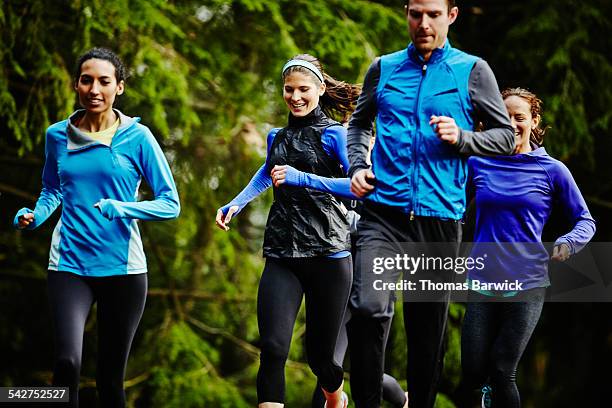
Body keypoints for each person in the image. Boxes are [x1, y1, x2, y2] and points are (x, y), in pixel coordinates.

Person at [346, 0, 516, 407]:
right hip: (382, 214)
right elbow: (358, 123)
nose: (423, 24)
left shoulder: (472, 71)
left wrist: (462, 138)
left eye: (433, 15)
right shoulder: (383, 68)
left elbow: (505, 137)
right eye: (415, 14)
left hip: (439, 219)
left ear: (451, 16)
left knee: (426, 337)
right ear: (407, 14)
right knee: (368, 310)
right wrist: (356, 165)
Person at [13, 47, 180, 407]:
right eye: (86, 80)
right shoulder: (57, 136)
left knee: (110, 381)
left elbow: (170, 203)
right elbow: (53, 188)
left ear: (118, 87)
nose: (94, 89)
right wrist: (35, 215)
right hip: (69, 264)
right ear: (76, 85)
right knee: (67, 362)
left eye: (104, 81)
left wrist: (122, 208)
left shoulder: (138, 138)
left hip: (123, 269)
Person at [216, 54, 360, 408]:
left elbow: (358, 185)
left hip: (329, 255)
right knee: (273, 348)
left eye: (303, 89)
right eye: (289, 89)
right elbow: (267, 171)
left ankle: (334, 396)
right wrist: (236, 203)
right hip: (282, 253)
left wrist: (303, 178)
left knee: (321, 361)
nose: (295, 96)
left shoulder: (336, 135)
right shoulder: (276, 136)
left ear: (320, 90)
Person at [457, 87, 596, 408]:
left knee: (503, 369)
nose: (511, 123)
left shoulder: (552, 170)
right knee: (473, 371)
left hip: (527, 282)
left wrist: (568, 243)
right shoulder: (478, 164)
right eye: (503, 117)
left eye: (519, 117)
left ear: (534, 122)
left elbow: (585, 220)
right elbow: (452, 208)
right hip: (482, 281)